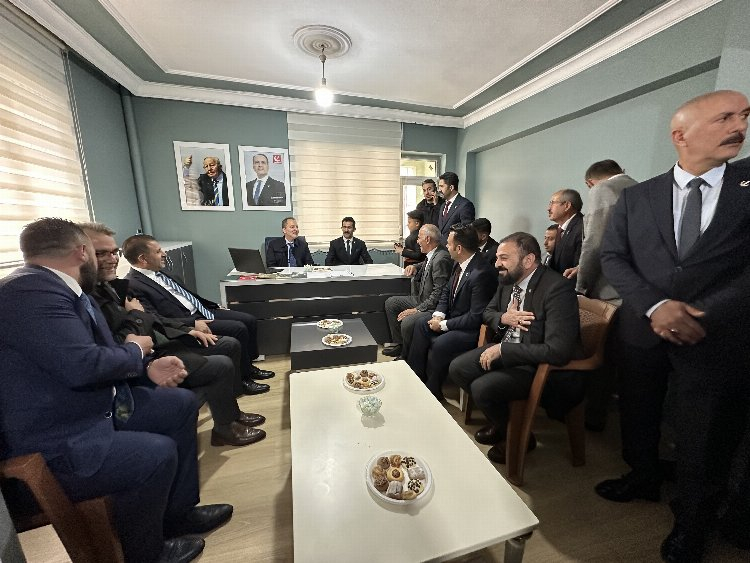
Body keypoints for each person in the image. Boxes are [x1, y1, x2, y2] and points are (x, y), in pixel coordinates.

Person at [0, 218, 232, 563]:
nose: (107, 259)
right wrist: (136, 351)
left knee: (180, 404)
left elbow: (96, 354)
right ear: (82, 252)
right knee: (156, 454)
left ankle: (178, 515)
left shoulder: (63, 289)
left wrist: (146, 368)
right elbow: (83, 365)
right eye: (99, 253)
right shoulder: (31, 293)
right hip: (61, 440)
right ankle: (146, 553)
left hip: (97, 405)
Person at [597, 90, 750, 562]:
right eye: (725, 117)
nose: (739, 127)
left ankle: (692, 521)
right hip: (642, 330)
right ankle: (642, 476)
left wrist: (700, 311)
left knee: (704, 433)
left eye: (744, 116)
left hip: (714, 335)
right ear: (680, 135)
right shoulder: (636, 196)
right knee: (639, 413)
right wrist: (656, 306)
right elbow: (613, 257)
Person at [81, 222, 266, 448]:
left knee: (235, 335)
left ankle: (233, 412)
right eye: (101, 253)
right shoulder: (122, 288)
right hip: (158, 348)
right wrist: (187, 326)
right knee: (226, 350)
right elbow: (146, 323)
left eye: (114, 252)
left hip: (177, 329)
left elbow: (184, 299)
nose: (112, 258)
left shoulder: (125, 284)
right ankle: (226, 425)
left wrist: (197, 321)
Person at [449, 232, 581, 464]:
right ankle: (503, 424)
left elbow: (558, 351)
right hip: (509, 348)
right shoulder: (508, 280)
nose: (496, 264)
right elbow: (487, 313)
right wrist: (504, 318)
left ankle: (519, 436)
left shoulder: (557, 289)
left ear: (528, 260)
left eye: (504, 258)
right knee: (458, 368)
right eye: (497, 258)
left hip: (536, 364)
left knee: (482, 388)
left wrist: (503, 350)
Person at [121, 235, 274, 395]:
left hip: (201, 311)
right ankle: (243, 380)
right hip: (187, 321)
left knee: (248, 319)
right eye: (158, 251)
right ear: (143, 258)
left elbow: (189, 296)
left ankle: (248, 366)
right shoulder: (132, 285)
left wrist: (214, 306)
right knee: (238, 328)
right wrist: (191, 324)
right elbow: (155, 318)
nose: (164, 254)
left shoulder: (160, 272)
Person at [406, 223, 497, 400]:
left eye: (448, 244)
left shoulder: (481, 273)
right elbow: (446, 291)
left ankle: (433, 389)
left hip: (471, 329)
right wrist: (438, 315)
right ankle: (416, 376)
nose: (446, 246)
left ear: (459, 248)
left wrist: (443, 325)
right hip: (453, 318)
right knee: (420, 324)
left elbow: (475, 317)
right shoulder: (460, 263)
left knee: (441, 343)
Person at [382, 223, 452, 358]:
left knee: (407, 322)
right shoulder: (434, 253)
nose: (417, 241)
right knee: (391, 303)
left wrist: (417, 310)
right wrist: (415, 266)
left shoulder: (441, 258)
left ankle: (406, 355)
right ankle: (400, 345)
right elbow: (427, 264)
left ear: (427, 239)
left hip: (431, 307)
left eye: (419, 238)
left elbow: (438, 293)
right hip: (420, 299)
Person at [575, 160, 638, 301]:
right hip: (641, 285)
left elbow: (595, 242)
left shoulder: (603, 189)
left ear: (590, 183)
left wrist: (581, 285)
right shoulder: (642, 188)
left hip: (611, 290)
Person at [547, 189, 584, 277]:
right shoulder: (561, 230)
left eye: (552, 203)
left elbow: (581, 266)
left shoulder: (582, 228)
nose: (548, 208)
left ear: (567, 206)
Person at [436, 171, 476, 244]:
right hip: (442, 248)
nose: (439, 190)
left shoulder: (465, 205)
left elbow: (467, 232)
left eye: (442, 186)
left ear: (451, 187)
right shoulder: (443, 205)